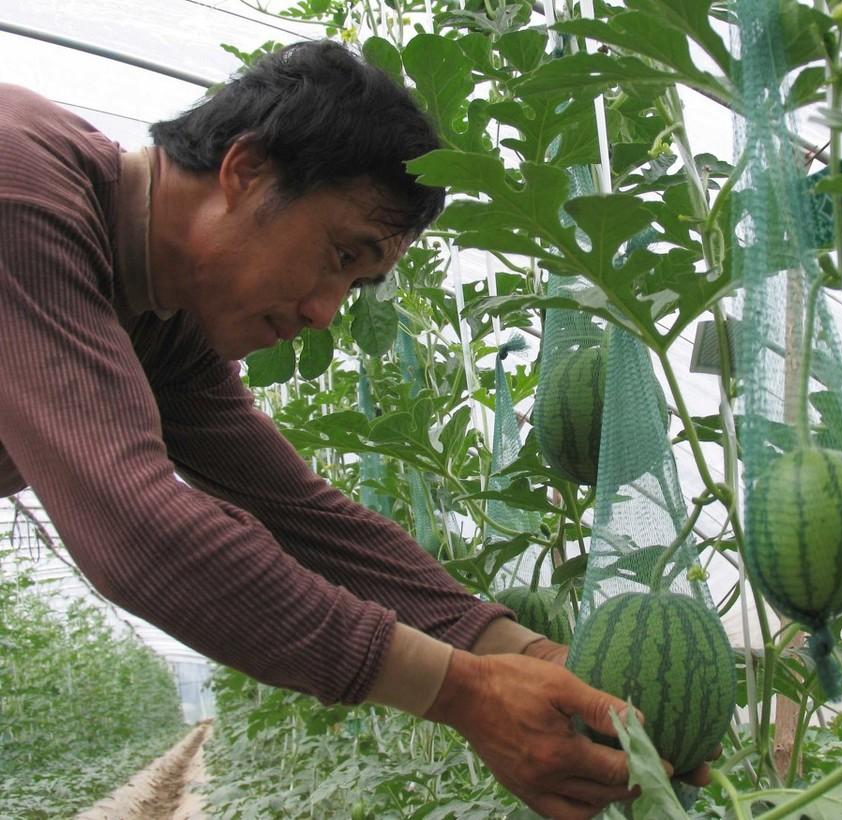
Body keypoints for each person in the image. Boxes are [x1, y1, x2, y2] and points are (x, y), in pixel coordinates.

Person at [0, 40, 706, 819]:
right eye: (339, 254)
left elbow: (307, 519)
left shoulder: (165, 326)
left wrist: (532, 656)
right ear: (246, 171)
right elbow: (138, 531)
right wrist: (464, 692)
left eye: (358, 282)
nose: (324, 312)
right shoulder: (21, 183)